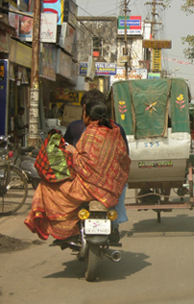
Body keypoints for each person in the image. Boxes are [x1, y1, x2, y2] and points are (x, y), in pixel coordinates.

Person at [25, 101, 130, 242]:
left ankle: (66, 229)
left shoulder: (90, 133)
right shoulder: (115, 131)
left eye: (84, 113)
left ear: (88, 116)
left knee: (46, 187)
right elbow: (123, 159)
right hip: (111, 188)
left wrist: (73, 152)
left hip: (89, 187)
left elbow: (82, 164)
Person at [63, 89, 129, 242]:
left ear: (86, 109)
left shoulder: (79, 128)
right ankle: (115, 226)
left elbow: (67, 151)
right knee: (121, 184)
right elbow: (124, 156)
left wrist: (74, 154)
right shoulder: (116, 129)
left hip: (84, 182)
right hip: (109, 184)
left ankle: (68, 226)